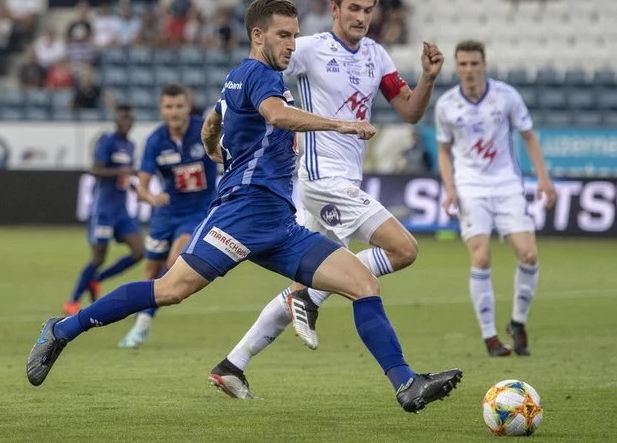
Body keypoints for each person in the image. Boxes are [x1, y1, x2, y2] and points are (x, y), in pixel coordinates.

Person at [26, 0, 461, 414]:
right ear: (258, 35)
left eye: (295, 35)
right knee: (170, 290)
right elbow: (276, 116)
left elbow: (213, 120)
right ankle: (61, 330)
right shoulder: (262, 76)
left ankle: (407, 384)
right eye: (284, 35)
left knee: (363, 282)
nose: (292, 44)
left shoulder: (239, 76)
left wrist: (214, 145)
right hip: (239, 215)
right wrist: (341, 123)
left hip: (279, 222)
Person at [208, 0, 445, 399]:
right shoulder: (307, 47)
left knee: (318, 275)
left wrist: (428, 78)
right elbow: (255, 75)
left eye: (368, 9)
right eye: (353, 7)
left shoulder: (376, 55)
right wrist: (219, 124)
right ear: (335, 8)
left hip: (344, 180)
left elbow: (409, 111)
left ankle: (233, 364)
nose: (362, 16)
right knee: (403, 249)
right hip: (321, 179)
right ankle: (310, 298)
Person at [435, 40, 556, 357]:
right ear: (457, 66)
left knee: (529, 255)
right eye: (463, 64)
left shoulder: (507, 97)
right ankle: (490, 337)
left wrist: (543, 178)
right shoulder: (446, 104)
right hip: (470, 187)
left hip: (507, 185)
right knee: (481, 257)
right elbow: (444, 151)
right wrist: (449, 188)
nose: (469, 70)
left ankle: (517, 323)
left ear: (484, 64)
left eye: (474, 64)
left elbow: (529, 137)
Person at [117, 83, 218, 348]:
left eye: (179, 106)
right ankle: (142, 323)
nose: (174, 112)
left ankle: (141, 324)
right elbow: (142, 183)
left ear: (188, 106)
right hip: (166, 213)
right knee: (150, 271)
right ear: (162, 109)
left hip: (197, 212)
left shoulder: (205, 128)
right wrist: (151, 197)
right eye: (169, 107)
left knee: (175, 259)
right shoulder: (155, 140)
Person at [62, 105, 144, 316]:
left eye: (129, 118)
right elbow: (95, 170)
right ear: (116, 120)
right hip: (104, 210)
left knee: (139, 252)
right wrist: (122, 171)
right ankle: (73, 300)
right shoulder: (107, 141)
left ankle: (97, 279)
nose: (126, 122)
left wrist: (137, 188)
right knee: (98, 257)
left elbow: (124, 176)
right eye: (123, 118)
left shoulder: (130, 145)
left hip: (121, 211)